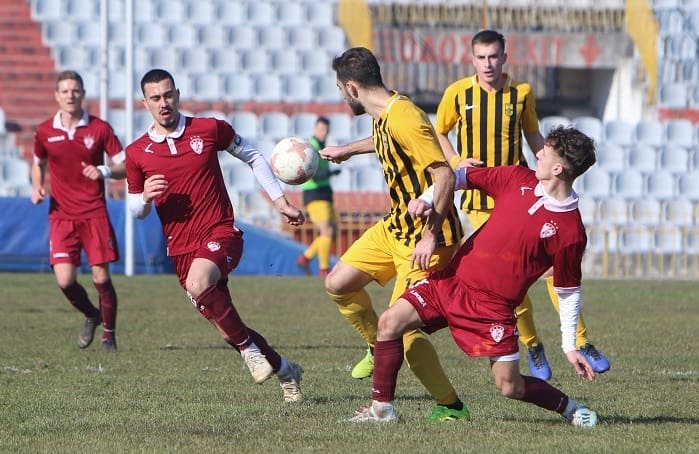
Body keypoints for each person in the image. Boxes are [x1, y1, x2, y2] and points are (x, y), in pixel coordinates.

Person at [348, 126, 599, 427]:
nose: (539, 152)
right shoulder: (517, 178)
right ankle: (382, 411)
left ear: (558, 168)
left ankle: (571, 408)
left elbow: (568, 291)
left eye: (546, 150)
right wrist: (427, 199)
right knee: (389, 323)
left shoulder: (570, 231)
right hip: (450, 283)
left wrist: (569, 346)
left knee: (510, 387)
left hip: (492, 310)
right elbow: (457, 177)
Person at [435, 29, 610, 379]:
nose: (488, 63)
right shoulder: (457, 93)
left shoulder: (521, 94)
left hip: (517, 191)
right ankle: (532, 344)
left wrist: (547, 176)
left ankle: (579, 339)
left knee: (549, 271)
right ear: (472, 60)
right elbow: (440, 131)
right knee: (511, 277)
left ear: (504, 57)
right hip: (481, 195)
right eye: (481, 57)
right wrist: (456, 163)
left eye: (493, 56)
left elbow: (533, 136)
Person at [125, 69, 305, 402]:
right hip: (181, 250)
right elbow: (136, 209)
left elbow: (252, 155)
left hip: (221, 231)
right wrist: (146, 197)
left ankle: (250, 352)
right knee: (228, 330)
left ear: (177, 94)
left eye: (168, 95)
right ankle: (285, 370)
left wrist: (280, 201)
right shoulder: (137, 153)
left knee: (200, 286)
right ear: (145, 103)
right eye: (155, 98)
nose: (163, 103)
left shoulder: (208, 129)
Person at [321, 48, 469, 421]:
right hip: (396, 226)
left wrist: (430, 235)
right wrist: (347, 151)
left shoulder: (405, 117)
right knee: (338, 283)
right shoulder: (383, 112)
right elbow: (385, 142)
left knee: (405, 328)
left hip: (428, 237)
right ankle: (376, 343)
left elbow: (445, 176)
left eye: (341, 89)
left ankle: (451, 406)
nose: (342, 96)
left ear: (352, 87)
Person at [31, 70, 124, 352]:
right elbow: (38, 163)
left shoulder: (100, 129)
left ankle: (109, 334)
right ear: (56, 96)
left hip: (94, 213)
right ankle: (91, 315)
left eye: (75, 90)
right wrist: (36, 186)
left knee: (101, 278)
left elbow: (125, 166)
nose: (70, 95)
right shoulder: (45, 130)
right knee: (64, 280)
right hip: (61, 216)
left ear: (83, 94)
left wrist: (103, 170)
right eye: (65, 91)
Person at [296, 116, 337, 277]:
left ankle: (305, 258)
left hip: (325, 193)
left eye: (326, 130)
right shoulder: (311, 147)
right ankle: (324, 269)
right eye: (321, 129)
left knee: (331, 232)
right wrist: (329, 172)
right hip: (314, 194)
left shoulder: (322, 146)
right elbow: (312, 172)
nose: (323, 132)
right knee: (327, 231)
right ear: (314, 129)